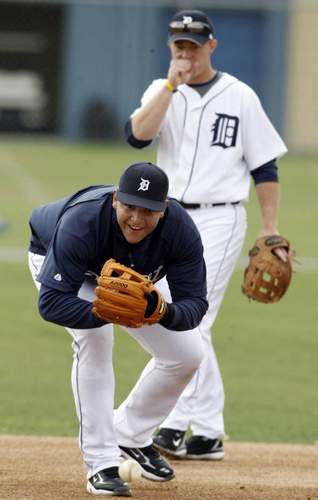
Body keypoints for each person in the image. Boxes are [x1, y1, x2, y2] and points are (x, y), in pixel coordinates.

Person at [125, 9, 288, 460]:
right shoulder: (162, 91)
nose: (185, 52)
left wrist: (270, 226)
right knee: (172, 314)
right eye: (179, 45)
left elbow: (265, 166)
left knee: (192, 316)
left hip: (220, 216)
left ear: (210, 46)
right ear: (171, 47)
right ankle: (208, 430)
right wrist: (170, 87)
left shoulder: (240, 96)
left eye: (193, 45)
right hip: (168, 218)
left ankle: (177, 423)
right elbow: (137, 137)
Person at [28, 162, 208, 496]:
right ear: (115, 200)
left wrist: (162, 311)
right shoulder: (82, 223)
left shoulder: (180, 230)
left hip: (127, 277)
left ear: (165, 209)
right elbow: (51, 302)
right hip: (62, 266)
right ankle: (100, 463)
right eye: (129, 207)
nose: (137, 220)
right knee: (95, 341)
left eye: (148, 211)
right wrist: (107, 314)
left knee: (188, 354)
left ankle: (130, 433)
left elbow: (195, 304)